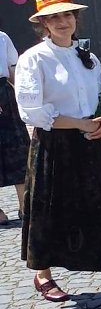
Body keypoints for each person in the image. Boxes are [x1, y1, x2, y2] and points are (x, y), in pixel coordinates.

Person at [15, 0, 101, 309]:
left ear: (75, 18)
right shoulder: (33, 59)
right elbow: (31, 112)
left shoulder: (87, 57)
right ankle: (43, 275)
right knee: (48, 211)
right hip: (53, 145)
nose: (62, 22)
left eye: (67, 15)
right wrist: (79, 124)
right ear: (43, 24)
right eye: (54, 17)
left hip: (90, 145)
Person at [0, 27, 30, 225]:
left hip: (5, 96)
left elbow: (13, 70)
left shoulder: (2, 37)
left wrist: (25, 96)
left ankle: (25, 205)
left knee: (19, 150)